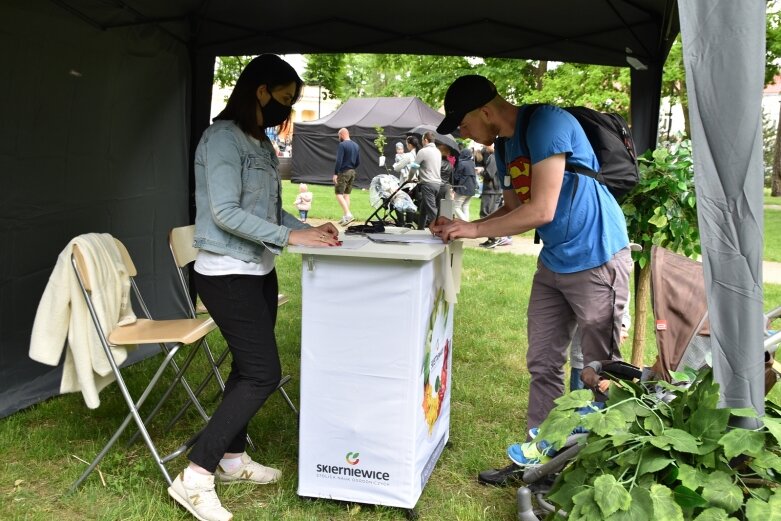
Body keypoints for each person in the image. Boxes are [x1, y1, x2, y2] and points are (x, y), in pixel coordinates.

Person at [431, 75, 631, 485]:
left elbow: (540, 210)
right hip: (555, 262)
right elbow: (511, 212)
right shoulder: (504, 146)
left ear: (485, 111)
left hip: (596, 257)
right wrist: (466, 225)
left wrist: (472, 231)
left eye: (464, 125)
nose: (464, 134)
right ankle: (538, 459)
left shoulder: (546, 124)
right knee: (543, 363)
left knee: (598, 371)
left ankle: (593, 471)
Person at [170, 54, 340, 521]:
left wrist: (306, 227)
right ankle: (195, 477)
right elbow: (224, 212)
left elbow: (265, 212)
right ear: (260, 91)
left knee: (249, 367)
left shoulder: (260, 142)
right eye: (285, 100)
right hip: (224, 273)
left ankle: (231, 459)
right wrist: (290, 237)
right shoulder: (222, 139)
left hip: (257, 270)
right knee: (263, 373)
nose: (287, 111)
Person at [412, 131, 442, 228]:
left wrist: (409, 178)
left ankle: (440, 230)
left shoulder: (423, 151)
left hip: (428, 184)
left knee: (431, 210)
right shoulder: (438, 152)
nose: (421, 142)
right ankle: (420, 228)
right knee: (423, 208)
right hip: (437, 183)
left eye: (422, 140)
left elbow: (414, 167)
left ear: (425, 140)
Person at [333, 127, 360, 226]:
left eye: (338, 136)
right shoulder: (356, 146)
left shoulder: (342, 145)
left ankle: (348, 214)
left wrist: (336, 173)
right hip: (352, 171)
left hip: (344, 172)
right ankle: (345, 217)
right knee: (346, 194)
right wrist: (352, 168)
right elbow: (358, 162)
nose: (338, 138)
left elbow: (339, 160)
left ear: (342, 135)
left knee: (338, 193)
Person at [452, 147, 478, 221]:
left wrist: (453, 186)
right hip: (471, 189)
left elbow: (456, 177)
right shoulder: (472, 163)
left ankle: (466, 223)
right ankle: (467, 224)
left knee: (456, 207)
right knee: (465, 206)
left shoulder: (461, 163)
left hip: (462, 188)